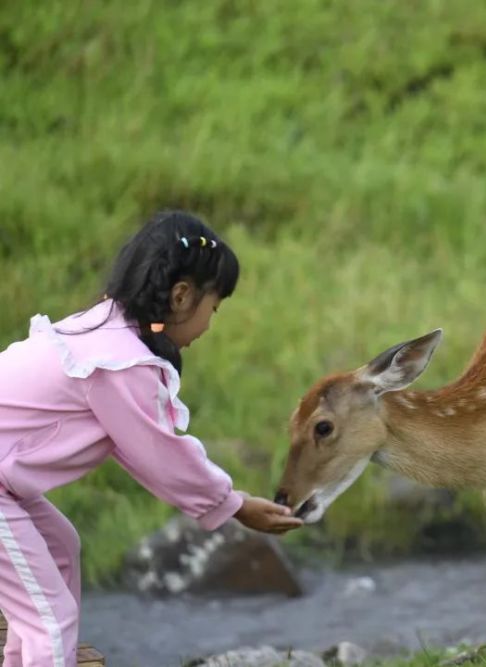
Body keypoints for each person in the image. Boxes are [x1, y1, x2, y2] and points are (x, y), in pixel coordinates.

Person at [0, 210, 302, 666]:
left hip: (7, 488)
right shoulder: (120, 362)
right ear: (182, 296)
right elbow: (162, 454)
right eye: (213, 308)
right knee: (50, 618)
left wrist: (227, 501)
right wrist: (233, 504)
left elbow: (136, 448)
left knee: (61, 549)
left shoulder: (104, 330)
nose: (209, 324)